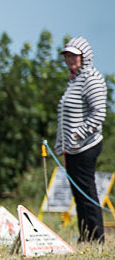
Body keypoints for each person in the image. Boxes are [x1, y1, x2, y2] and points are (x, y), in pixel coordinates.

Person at [55, 36, 107, 243]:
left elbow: (98, 113)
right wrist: (63, 145)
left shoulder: (91, 78)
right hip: (72, 148)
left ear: (85, 56)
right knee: (78, 194)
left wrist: (79, 134)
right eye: (67, 56)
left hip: (85, 146)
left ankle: (96, 238)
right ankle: (86, 236)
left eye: (74, 55)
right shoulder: (75, 80)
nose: (70, 59)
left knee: (87, 192)